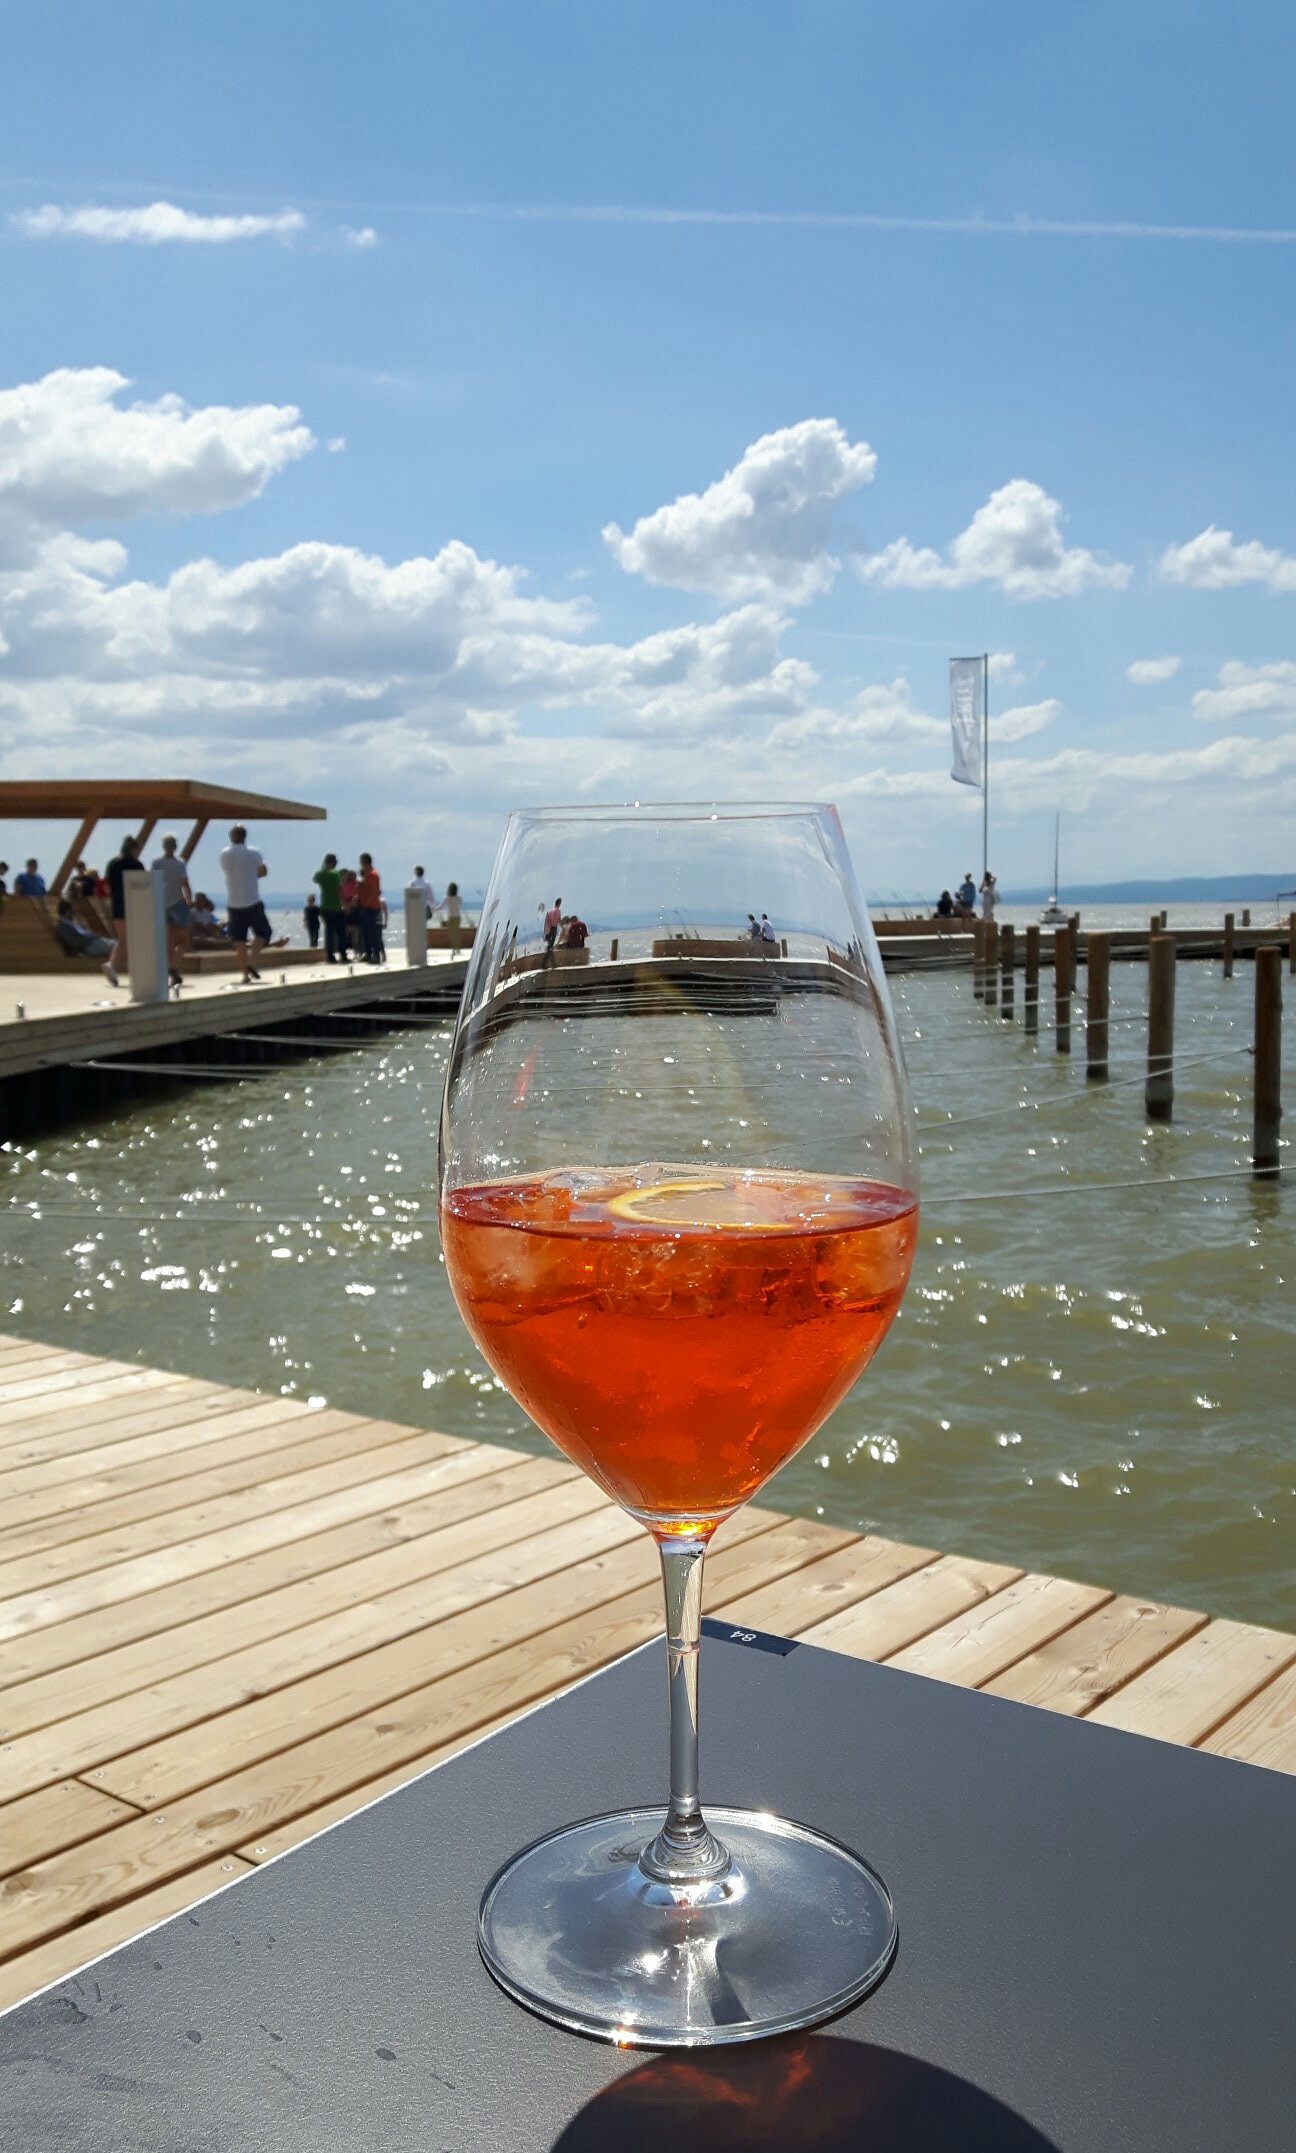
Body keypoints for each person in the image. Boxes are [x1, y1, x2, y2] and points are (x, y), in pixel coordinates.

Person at [219, 822, 272, 982]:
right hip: (252, 900)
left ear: (231, 837)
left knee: (239, 940)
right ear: (244, 837)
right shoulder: (254, 853)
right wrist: (252, 875)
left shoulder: (224, 854)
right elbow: (263, 871)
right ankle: (251, 961)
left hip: (233, 902)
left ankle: (244, 975)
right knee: (263, 933)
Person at [151, 833, 192, 989]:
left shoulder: (156, 863)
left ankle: (171, 970)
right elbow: (184, 883)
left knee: (168, 941)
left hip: (162, 904)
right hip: (177, 903)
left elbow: (153, 882)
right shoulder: (179, 863)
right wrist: (189, 901)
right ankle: (173, 967)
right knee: (183, 941)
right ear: (175, 846)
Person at [104, 834, 145, 985]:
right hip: (133, 905)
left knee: (123, 938)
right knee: (127, 940)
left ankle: (114, 967)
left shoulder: (113, 864)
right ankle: (112, 965)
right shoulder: (136, 865)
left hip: (117, 905)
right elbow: (143, 885)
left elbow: (108, 884)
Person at [54, 898, 116, 967]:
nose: (74, 914)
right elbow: (76, 940)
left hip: (93, 943)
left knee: (119, 944)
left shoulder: (67, 923)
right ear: (68, 911)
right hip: (90, 945)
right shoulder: (64, 924)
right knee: (119, 945)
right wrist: (94, 936)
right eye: (73, 911)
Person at [313, 853, 347, 964]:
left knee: (329, 932)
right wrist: (345, 904)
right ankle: (343, 954)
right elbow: (339, 890)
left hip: (325, 906)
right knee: (341, 932)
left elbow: (315, 879)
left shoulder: (320, 874)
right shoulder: (335, 874)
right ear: (333, 862)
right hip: (336, 907)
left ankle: (330, 955)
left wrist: (324, 867)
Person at [357, 852, 385, 963]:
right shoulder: (366, 875)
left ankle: (376, 955)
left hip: (371, 907)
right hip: (365, 906)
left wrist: (367, 904)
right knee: (366, 933)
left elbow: (374, 892)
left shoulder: (373, 875)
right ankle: (368, 953)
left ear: (365, 862)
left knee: (373, 933)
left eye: (361, 862)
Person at [441, 879, 463, 953]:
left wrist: (434, 910)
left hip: (450, 918)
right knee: (457, 933)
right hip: (457, 917)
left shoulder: (447, 898)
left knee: (452, 934)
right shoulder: (459, 897)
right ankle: (457, 948)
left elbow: (441, 906)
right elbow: (461, 905)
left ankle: (454, 948)